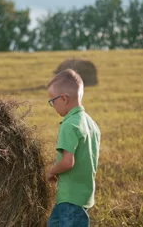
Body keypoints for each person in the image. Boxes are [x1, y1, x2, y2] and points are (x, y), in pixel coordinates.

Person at [46, 69, 101, 227]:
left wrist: (52, 171)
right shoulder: (91, 123)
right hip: (82, 195)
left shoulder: (69, 124)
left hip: (70, 198)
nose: (53, 106)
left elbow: (68, 162)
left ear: (63, 98)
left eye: (52, 101)